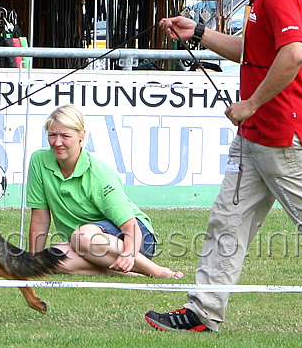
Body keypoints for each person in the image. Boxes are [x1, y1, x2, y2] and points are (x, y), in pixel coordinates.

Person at [145, 0, 302, 332]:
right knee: (227, 222)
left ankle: (202, 311)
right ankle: (201, 313)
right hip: (256, 137)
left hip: (283, 135)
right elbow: (248, 49)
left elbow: (295, 54)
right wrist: (197, 32)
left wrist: (250, 104)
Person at [27, 104, 184, 279]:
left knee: (82, 237)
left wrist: (129, 253)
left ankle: (156, 271)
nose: (57, 142)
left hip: (134, 239)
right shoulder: (39, 161)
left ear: (81, 136)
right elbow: (40, 217)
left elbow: (130, 225)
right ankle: (126, 273)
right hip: (84, 244)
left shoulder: (100, 174)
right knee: (51, 259)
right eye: (52, 135)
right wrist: (34, 261)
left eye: (65, 136)